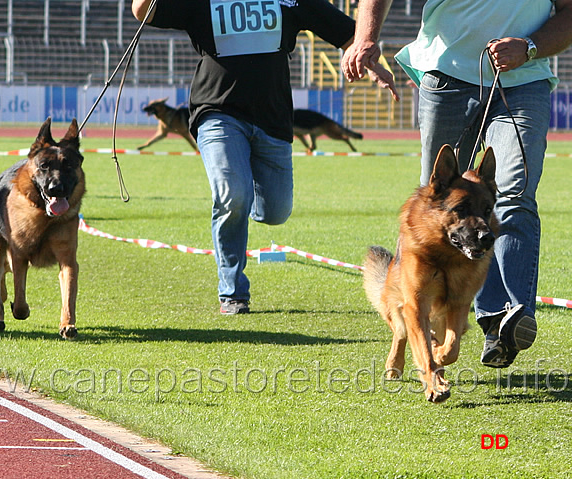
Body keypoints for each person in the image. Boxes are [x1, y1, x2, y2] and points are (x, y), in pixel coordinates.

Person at [342, 0, 572, 368]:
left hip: (525, 80)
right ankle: (415, 318)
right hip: (446, 74)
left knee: (513, 192)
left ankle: (504, 319)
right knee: (433, 203)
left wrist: (530, 48)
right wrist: (365, 37)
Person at [132, 0, 395, 314]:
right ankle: (232, 292)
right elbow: (142, 10)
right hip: (216, 112)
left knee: (275, 211)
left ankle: (242, 203)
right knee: (233, 194)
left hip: (273, 118)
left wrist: (368, 58)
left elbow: (349, 35)